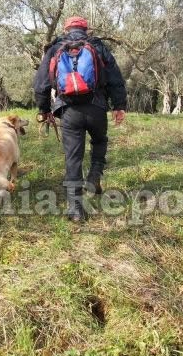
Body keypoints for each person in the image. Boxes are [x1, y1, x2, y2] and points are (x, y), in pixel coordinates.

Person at [34, 16, 127, 222]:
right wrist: (119, 106)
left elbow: (41, 83)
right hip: (97, 108)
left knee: (73, 157)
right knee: (100, 141)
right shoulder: (97, 46)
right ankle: (94, 176)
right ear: (87, 30)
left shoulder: (56, 47)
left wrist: (44, 109)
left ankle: (76, 209)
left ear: (66, 29)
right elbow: (115, 78)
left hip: (69, 111)